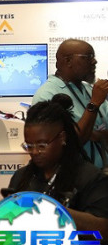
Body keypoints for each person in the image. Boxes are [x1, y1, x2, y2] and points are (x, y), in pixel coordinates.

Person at [8, 97, 108, 245]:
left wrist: (54, 210)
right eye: (29, 145)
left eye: (42, 145)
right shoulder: (22, 179)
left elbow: (103, 228)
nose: (35, 152)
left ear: (62, 138)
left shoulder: (89, 177)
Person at [32, 38, 108, 167]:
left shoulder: (90, 90)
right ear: (68, 61)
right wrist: (94, 104)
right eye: (88, 57)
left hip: (100, 174)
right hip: (72, 175)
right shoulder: (47, 95)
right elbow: (69, 143)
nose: (94, 61)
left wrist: (98, 135)